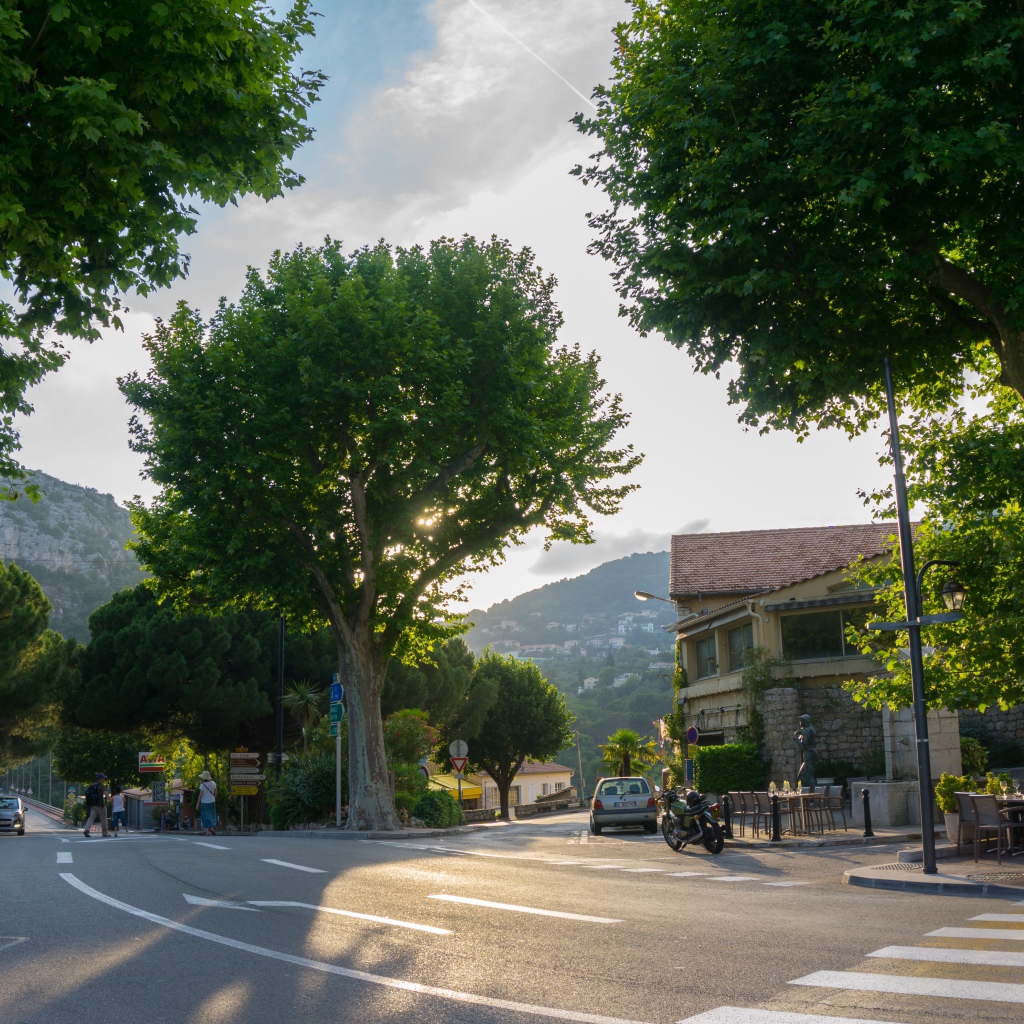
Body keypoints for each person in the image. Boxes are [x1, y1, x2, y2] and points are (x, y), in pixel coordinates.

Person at [83, 773, 114, 838]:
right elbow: (106, 793)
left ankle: (86, 830)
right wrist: (110, 800)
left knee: (91, 818)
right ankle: (105, 833)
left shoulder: (93, 785)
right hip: (100, 805)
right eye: (103, 778)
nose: (104, 779)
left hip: (93, 805)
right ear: (101, 779)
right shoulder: (101, 786)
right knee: (103, 819)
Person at [197, 770, 218, 836]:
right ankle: (211, 828)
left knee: (205, 816)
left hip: (204, 802)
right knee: (211, 815)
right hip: (212, 801)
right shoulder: (213, 783)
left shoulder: (202, 785)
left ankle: (208, 832)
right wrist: (214, 797)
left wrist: (198, 803)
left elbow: (200, 795)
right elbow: (216, 792)